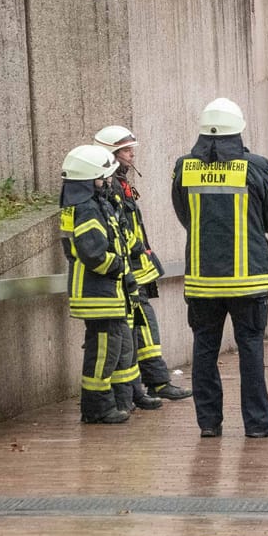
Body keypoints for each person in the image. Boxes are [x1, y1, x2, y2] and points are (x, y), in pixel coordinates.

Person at [171, 97, 268, 440]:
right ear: (239, 130)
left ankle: (208, 423)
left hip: (203, 281)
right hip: (248, 280)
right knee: (251, 350)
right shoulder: (259, 167)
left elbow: (184, 215)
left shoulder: (184, 167)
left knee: (204, 350)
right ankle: (258, 424)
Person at [93, 125, 190, 406]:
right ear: (110, 153)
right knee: (138, 328)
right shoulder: (109, 186)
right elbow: (120, 229)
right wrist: (137, 249)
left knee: (142, 328)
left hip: (138, 266)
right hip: (127, 269)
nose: (131, 154)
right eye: (125, 150)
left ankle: (150, 384)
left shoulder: (120, 182)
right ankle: (151, 384)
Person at [61, 144, 138, 425]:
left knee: (112, 349)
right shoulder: (86, 209)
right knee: (102, 353)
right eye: (104, 177)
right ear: (92, 178)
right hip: (97, 293)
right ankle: (97, 408)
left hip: (105, 293)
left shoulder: (91, 205)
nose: (108, 182)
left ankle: (115, 401)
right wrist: (118, 267)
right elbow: (93, 253)